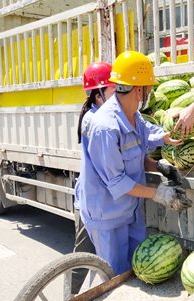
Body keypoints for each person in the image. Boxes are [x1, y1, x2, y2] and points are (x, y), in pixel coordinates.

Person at [75, 51, 191, 276]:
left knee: (137, 271)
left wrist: (158, 165)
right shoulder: (105, 127)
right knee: (113, 278)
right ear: (139, 89)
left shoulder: (133, 115)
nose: (150, 92)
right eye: (149, 87)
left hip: (130, 210)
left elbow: (138, 149)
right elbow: (117, 181)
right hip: (107, 215)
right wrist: (160, 194)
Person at [72, 61, 116, 297]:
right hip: (91, 203)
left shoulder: (101, 114)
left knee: (97, 258)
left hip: (99, 201)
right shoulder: (95, 121)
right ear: (98, 95)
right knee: (82, 257)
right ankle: (69, 296)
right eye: (113, 90)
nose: (118, 95)